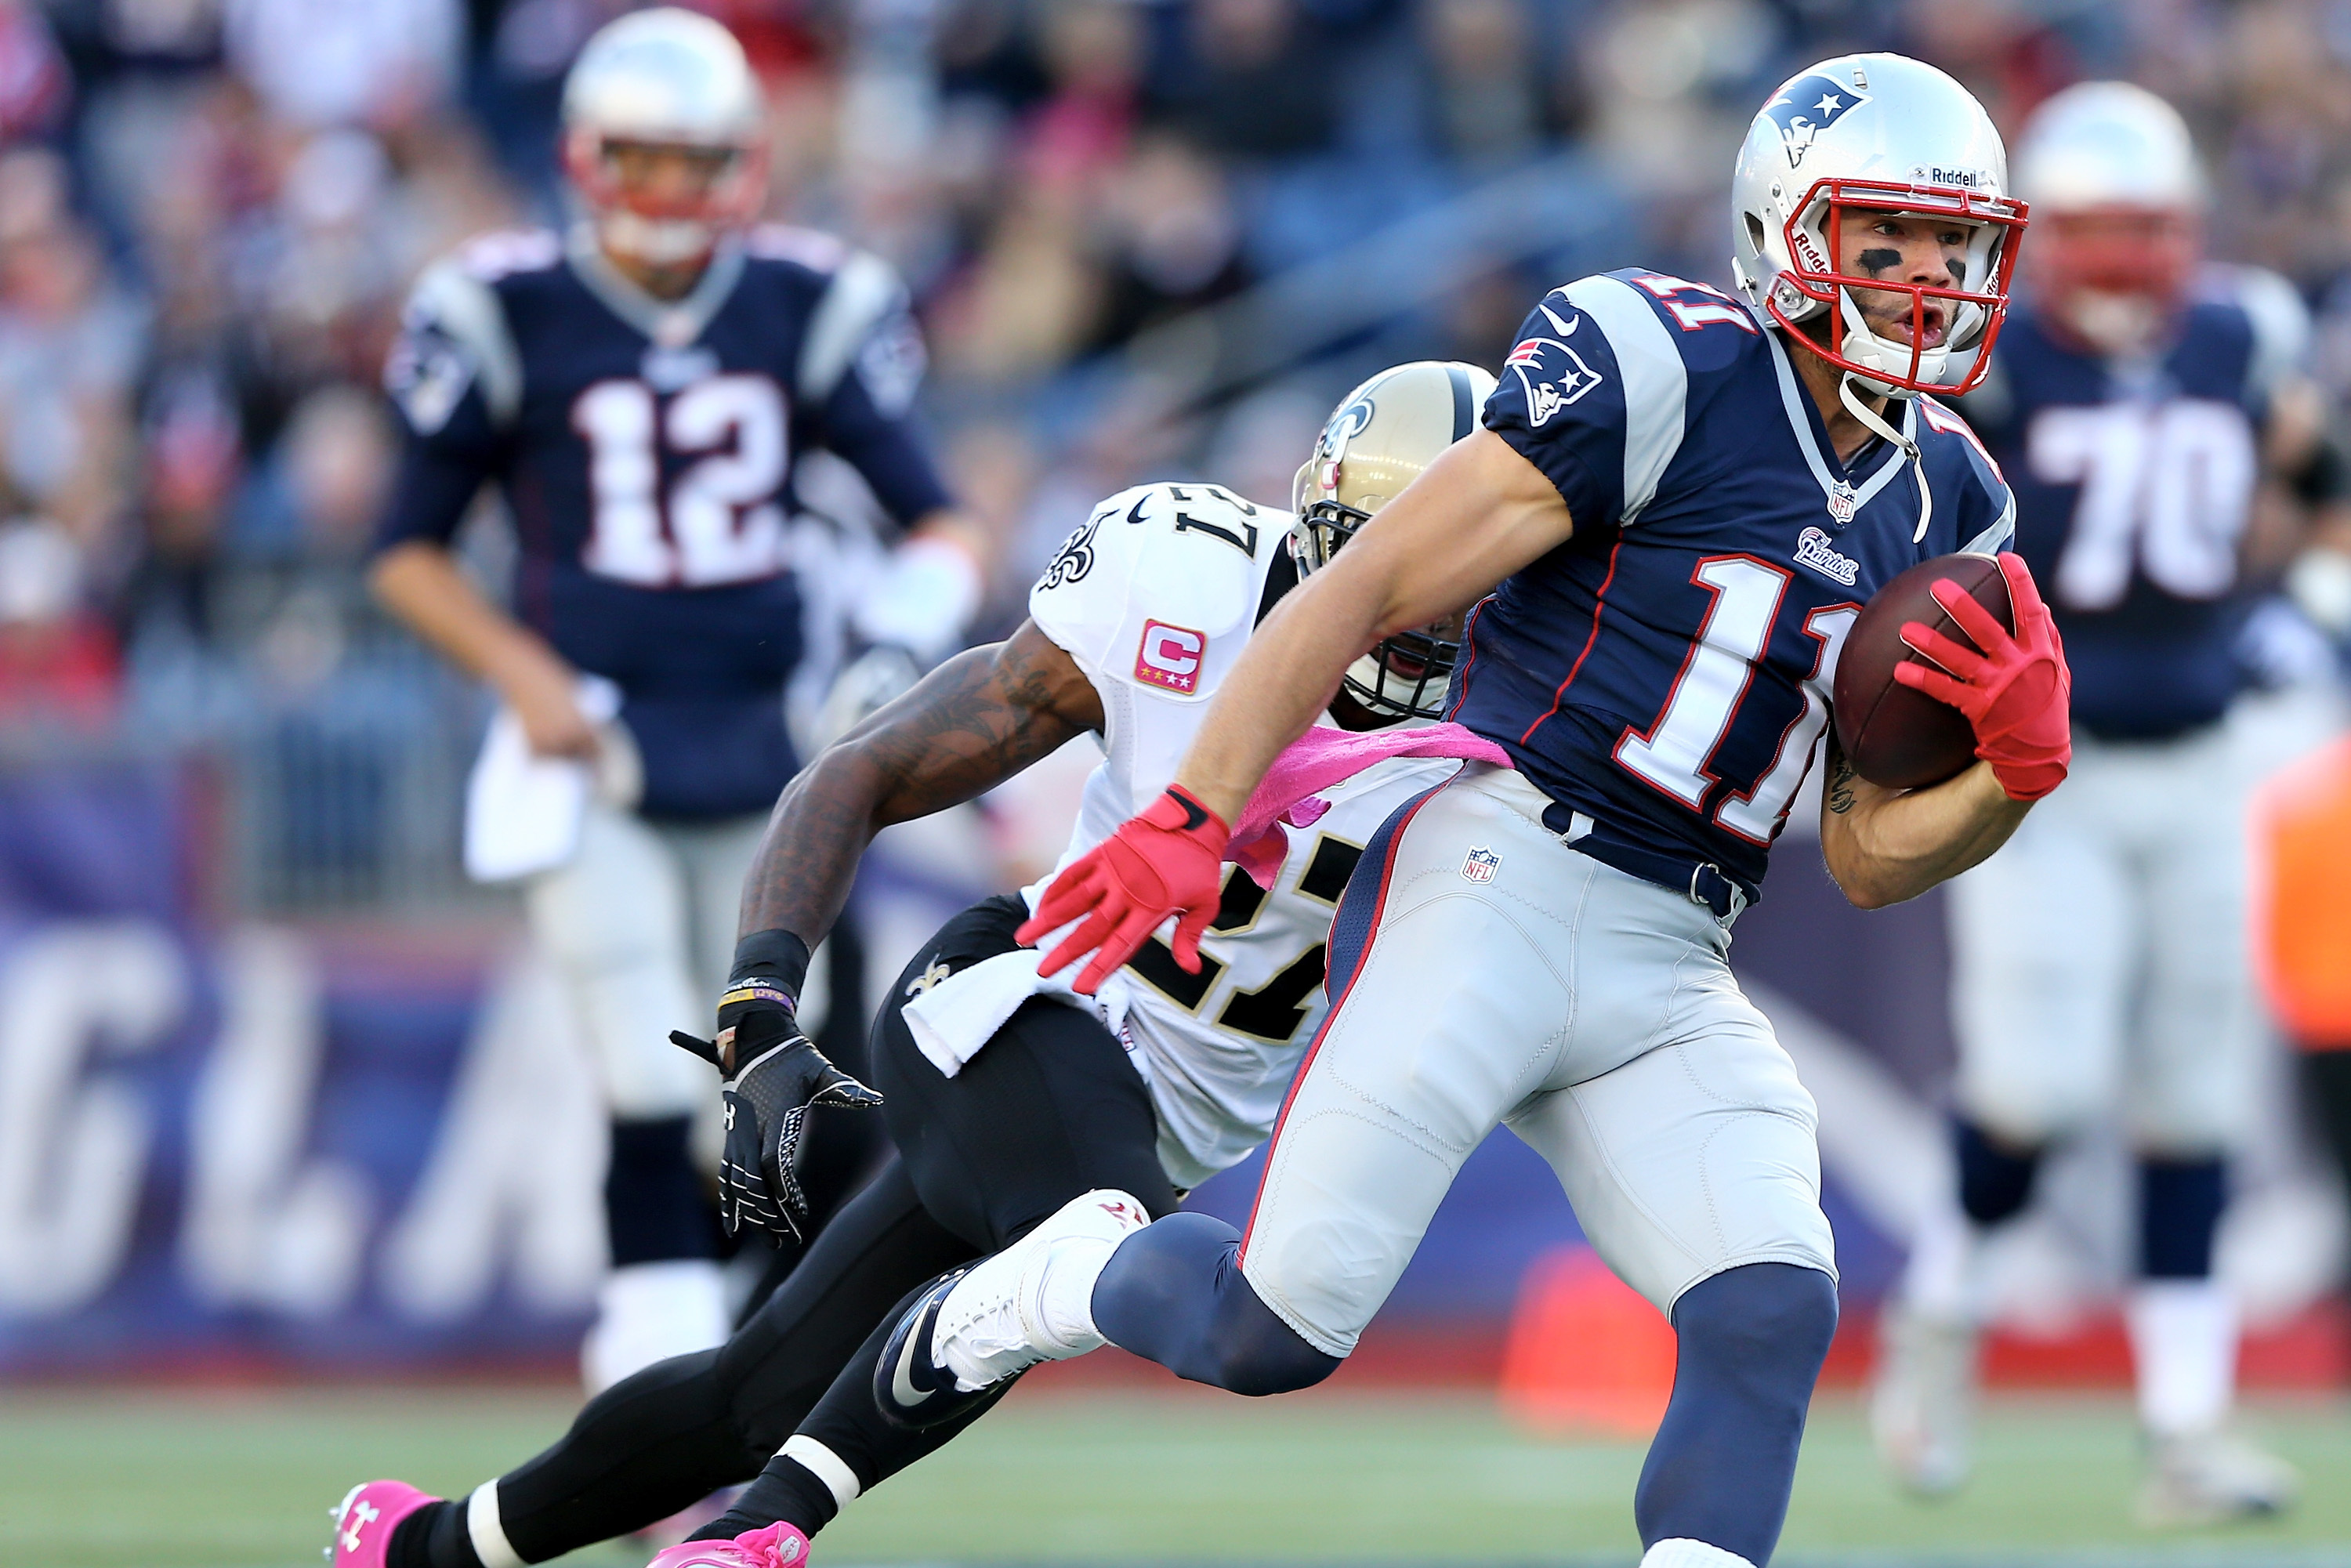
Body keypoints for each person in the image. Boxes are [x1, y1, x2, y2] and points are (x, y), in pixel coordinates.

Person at [857, 54, 2073, 1568]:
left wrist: (2004, 781)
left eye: (1953, 248)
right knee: (1268, 1329)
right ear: (1785, 225)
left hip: (1679, 953)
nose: (1925, 280)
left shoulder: (1952, 494)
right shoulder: (1664, 364)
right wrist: (1191, 811)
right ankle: (1042, 1286)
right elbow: (1368, 585)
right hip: (1495, 870)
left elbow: (1865, 855)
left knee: (1771, 1300)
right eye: (1885, 239)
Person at [328, 361, 1496, 1568]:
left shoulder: (1542, 707)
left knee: (756, 1391)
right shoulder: (1187, 574)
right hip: (1020, 1006)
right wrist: (760, 996)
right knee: (1097, 1240)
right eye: (1386, 561)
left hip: (1176, 1113)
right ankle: (754, 1535)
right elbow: (864, 767)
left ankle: (424, 1546)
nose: (1424, 613)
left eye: (1464, 578)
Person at [368, 7, 982, 1391]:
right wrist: (521, 674)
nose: (667, 197)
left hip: (777, 757)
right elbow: (400, 547)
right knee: (653, 1078)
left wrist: (893, 643)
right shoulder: (502, 306)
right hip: (597, 743)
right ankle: (649, 1401)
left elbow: (939, 524)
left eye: (694, 162)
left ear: (747, 165)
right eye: (639, 162)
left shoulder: (808, 301)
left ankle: (720, 1389)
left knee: (770, 1100)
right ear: (586, 161)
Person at [1868, 81, 2335, 1523]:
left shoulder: (2244, 332)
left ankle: (2186, 1433)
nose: (2128, 260)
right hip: (2042, 773)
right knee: (2040, 1081)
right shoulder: (1996, 366)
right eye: (2099, 230)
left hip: (2203, 752)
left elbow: (2315, 474)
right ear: (2044, 241)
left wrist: (2298, 597)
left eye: (2149, 228)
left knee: (2196, 1096)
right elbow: (1919, 529)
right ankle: (1941, 1317)